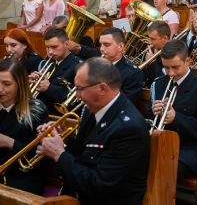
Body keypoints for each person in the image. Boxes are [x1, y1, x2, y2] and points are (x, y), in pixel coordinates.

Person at [36, 57, 150, 205]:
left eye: (79, 88)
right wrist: (63, 139)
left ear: (102, 88)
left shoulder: (129, 128)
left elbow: (98, 186)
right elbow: (84, 154)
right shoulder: (94, 109)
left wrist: (59, 154)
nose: (76, 95)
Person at [146, 39, 197, 181]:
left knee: (159, 171)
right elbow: (148, 119)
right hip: (159, 143)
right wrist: (153, 112)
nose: (170, 73)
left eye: (175, 67)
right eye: (166, 67)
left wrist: (176, 118)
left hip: (188, 150)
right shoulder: (159, 83)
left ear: (187, 61)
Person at [0, 58, 48, 195]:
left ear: (20, 84)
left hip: (22, 174)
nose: (0, 89)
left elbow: (40, 156)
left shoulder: (36, 111)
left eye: (6, 84)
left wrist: (10, 143)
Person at [64, 28, 143, 106]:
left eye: (106, 45)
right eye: (101, 45)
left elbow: (125, 105)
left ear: (120, 46)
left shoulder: (132, 73)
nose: (101, 49)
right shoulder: (95, 67)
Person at [28, 28, 82, 116]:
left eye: (54, 47)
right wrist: (32, 84)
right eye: (47, 47)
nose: (50, 52)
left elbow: (77, 100)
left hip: (62, 116)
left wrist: (49, 87)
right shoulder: (46, 63)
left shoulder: (79, 66)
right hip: (41, 112)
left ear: (66, 44)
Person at [142, 21, 170, 88]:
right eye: (149, 38)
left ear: (165, 38)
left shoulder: (172, 55)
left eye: (153, 39)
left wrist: (152, 63)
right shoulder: (151, 50)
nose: (149, 42)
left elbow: (165, 82)